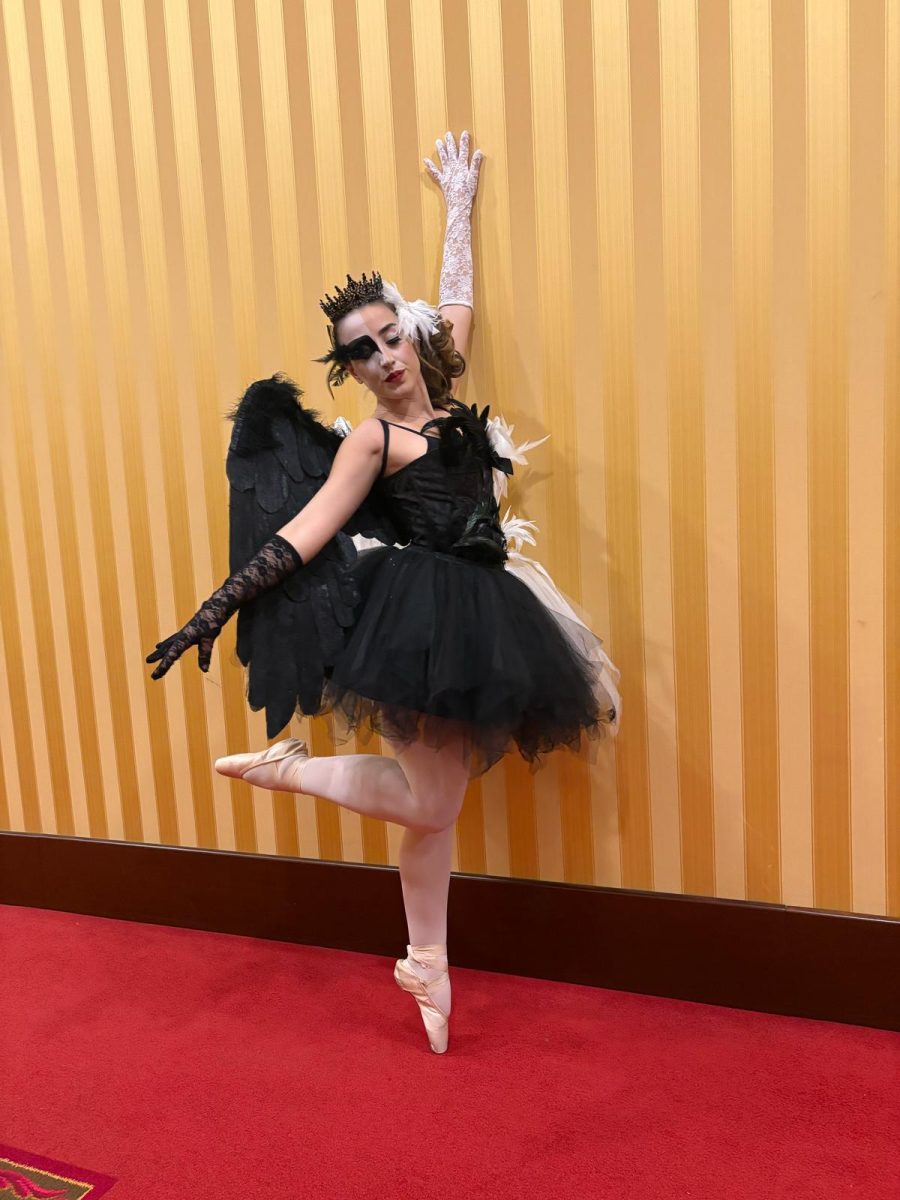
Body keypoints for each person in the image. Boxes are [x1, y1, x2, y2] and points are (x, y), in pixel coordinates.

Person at [146, 132, 619, 1054]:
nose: (384, 357)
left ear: (410, 333)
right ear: (350, 371)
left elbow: (457, 299)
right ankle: (289, 772)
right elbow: (307, 528)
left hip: (493, 606)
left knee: (435, 807)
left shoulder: (447, 385)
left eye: (391, 337)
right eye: (362, 352)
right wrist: (216, 607)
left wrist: (458, 204)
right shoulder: (372, 441)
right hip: (418, 617)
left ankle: (427, 961)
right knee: (432, 805)